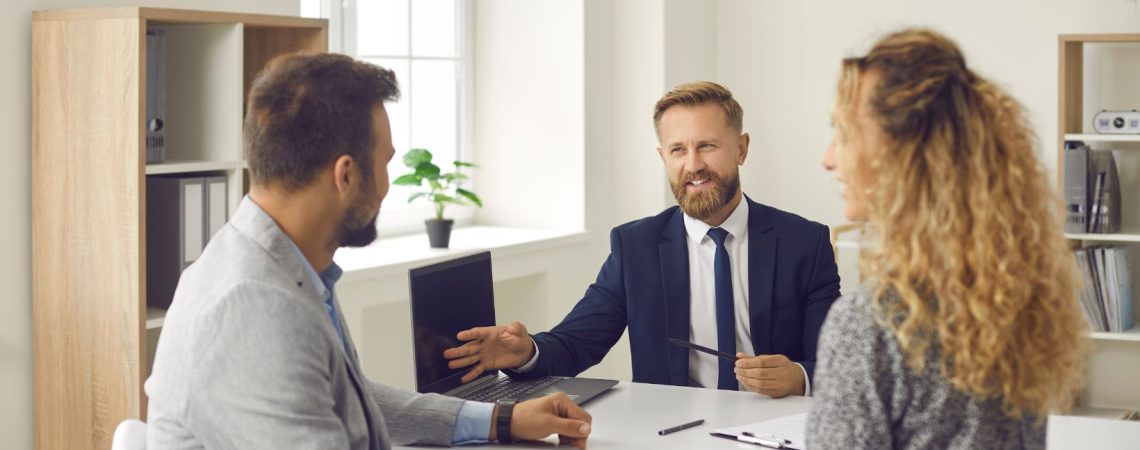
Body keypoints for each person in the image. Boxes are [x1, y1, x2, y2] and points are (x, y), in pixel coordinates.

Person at [145, 53, 592, 449]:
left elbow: (349, 394)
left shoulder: (283, 263)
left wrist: (502, 420)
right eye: (384, 164)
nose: (387, 183)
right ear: (345, 175)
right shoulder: (255, 303)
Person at [444, 81, 841, 397]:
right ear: (663, 158)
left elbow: (837, 367)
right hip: (670, 431)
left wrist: (798, 377)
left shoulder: (804, 243)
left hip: (774, 427)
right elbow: (577, 343)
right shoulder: (635, 246)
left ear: (741, 148)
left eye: (707, 145)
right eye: (677, 150)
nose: (693, 165)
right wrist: (525, 352)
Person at [808, 29, 1087, 448]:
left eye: (844, 135)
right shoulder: (1015, 297)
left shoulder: (870, 326)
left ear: (901, 156)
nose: (828, 158)